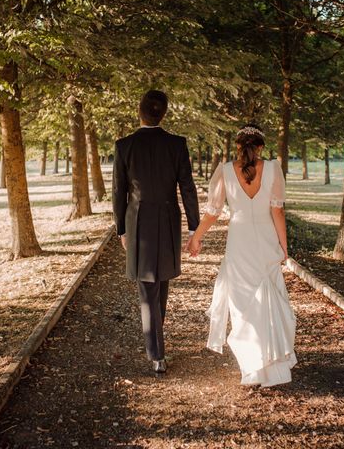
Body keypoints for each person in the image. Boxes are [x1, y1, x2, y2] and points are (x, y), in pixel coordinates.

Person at [186, 123, 297, 387]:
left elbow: (213, 212)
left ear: (238, 146)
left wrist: (196, 238)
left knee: (242, 301)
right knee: (269, 294)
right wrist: (284, 246)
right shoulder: (273, 168)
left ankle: (252, 368)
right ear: (261, 147)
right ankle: (272, 367)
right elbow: (277, 211)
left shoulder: (225, 171)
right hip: (265, 238)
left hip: (239, 241)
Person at [112, 90, 200, 374]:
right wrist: (193, 225)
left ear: (140, 112)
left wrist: (121, 229)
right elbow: (187, 187)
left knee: (152, 285)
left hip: (138, 222)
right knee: (159, 283)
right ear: (163, 113)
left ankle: (157, 354)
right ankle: (157, 349)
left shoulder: (125, 145)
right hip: (169, 220)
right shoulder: (177, 144)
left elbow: (119, 191)